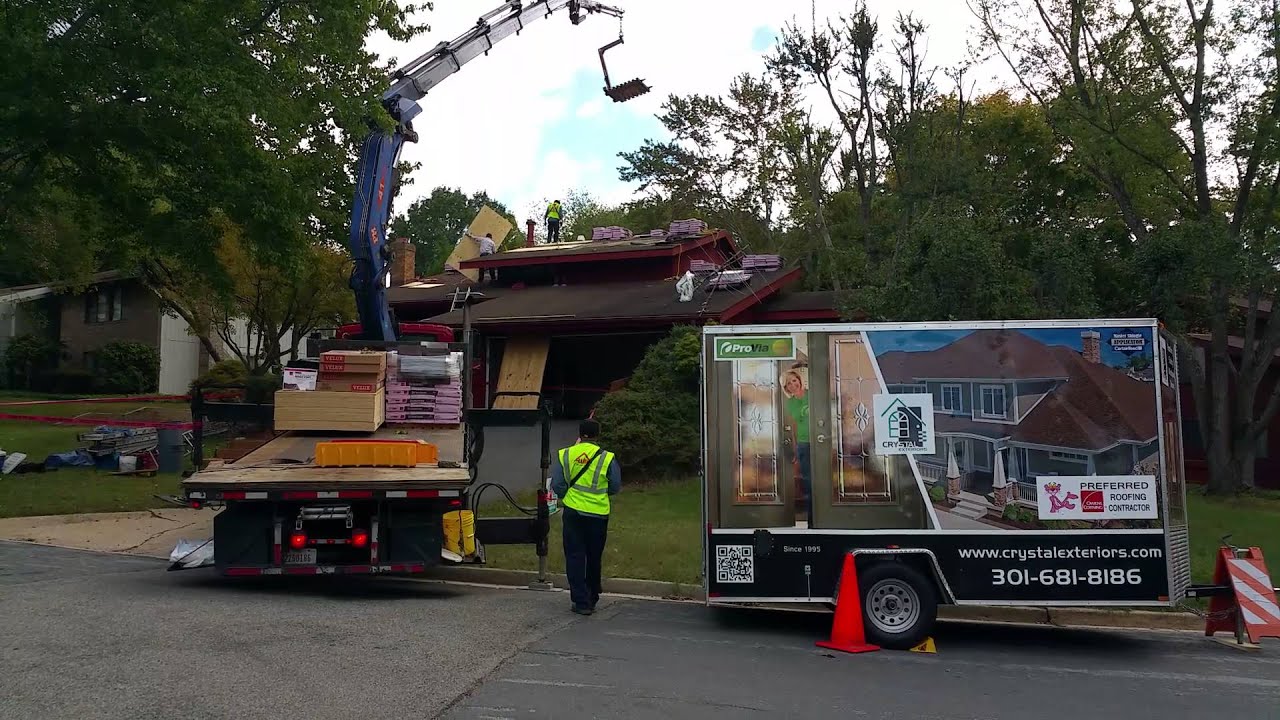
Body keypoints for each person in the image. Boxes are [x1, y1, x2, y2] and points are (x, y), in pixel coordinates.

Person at [550, 418, 620, 615]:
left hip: (573, 513)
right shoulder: (607, 457)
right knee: (594, 556)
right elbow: (614, 486)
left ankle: (581, 602)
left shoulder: (566, 454)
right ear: (598, 435)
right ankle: (592, 596)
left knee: (575, 556)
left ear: (580, 434)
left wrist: (569, 496)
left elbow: (557, 484)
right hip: (598, 514)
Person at [781, 364, 811, 524]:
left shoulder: (812, 396)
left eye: (794, 380)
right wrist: (794, 449)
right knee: (807, 480)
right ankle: (811, 516)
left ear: (799, 380)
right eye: (789, 384)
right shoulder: (790, 403)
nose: (793, 385)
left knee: (821, 479)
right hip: (803, 444)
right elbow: (792, 427)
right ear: (786, 388)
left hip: (819, 442)